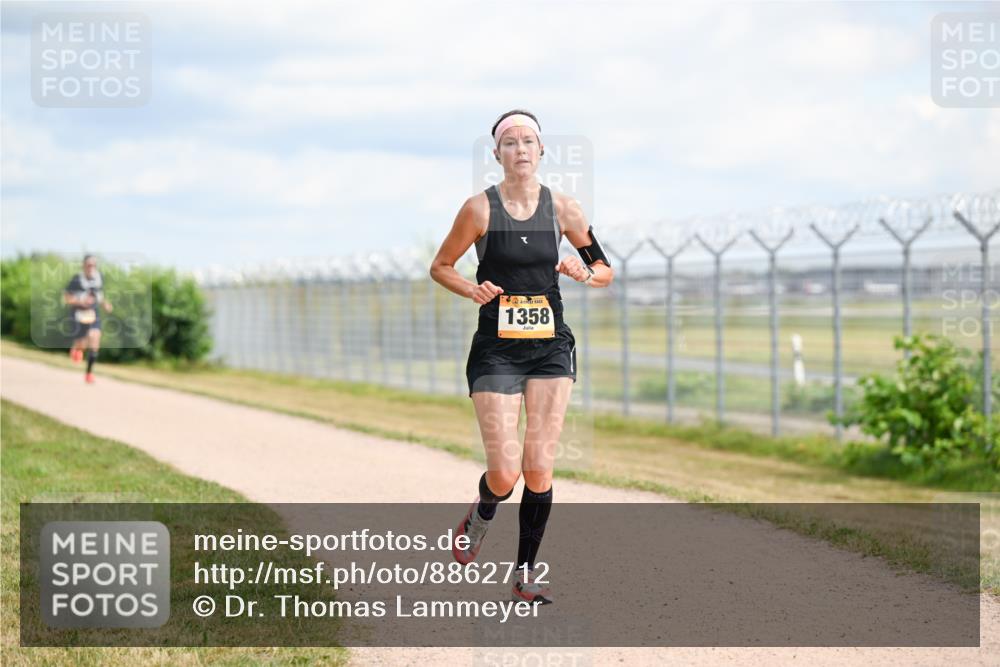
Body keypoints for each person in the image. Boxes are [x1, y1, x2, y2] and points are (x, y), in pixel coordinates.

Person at [429, 110, 613, 604]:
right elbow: (441, 266)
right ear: (497, 154)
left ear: (542, 150)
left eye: (528, 141)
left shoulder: (564, 209)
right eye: (510, 142)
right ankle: (484, 510)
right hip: (496, 351)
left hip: (550, 348)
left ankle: (525, 574)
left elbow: (604, 269)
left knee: (538, 468)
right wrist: (471, 289)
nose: (520, 149)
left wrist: (582, 271)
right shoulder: (479, 210)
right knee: (506, 472)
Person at [64, 255, 113, 384]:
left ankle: (89, 373)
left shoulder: (99, 278)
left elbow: (99, 296)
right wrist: (81, 301)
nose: (91, 267)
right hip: (79, 313)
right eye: (89, 265)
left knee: (95, 338)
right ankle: (77, 348)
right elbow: (67, 298)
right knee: (82, 343)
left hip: (93, 313)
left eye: (94, 265)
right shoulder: (77, 279)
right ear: (84, 266)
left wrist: (105, 304)